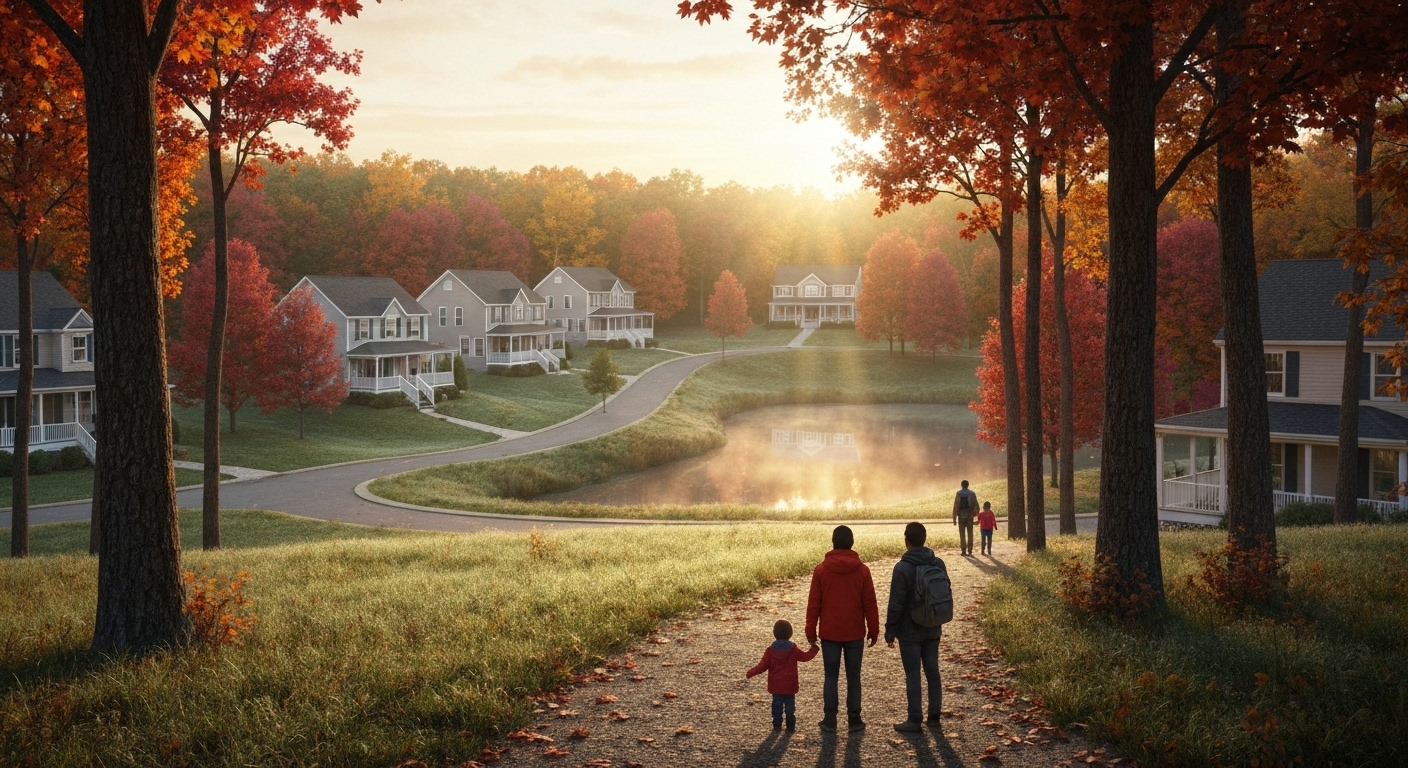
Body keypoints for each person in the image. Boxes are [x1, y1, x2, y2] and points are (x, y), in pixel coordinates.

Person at [805, 524, 880, 732]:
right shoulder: (863, 571)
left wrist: (810, 630)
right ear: (852, 543)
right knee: (853, 676)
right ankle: (854, 719)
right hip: (855, 632)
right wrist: (873, 629)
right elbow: (870, 603)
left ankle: (830, 719)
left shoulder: (821, 571)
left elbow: (814, 604)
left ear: (833, 543)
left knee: (831, 676)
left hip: (829, 632)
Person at [884, 522, 945, 732]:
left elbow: (896, 603)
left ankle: (914, 719)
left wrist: (890, 631)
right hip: (933, 626)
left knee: (913, 673)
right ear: (924, 539)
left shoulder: (902, 568)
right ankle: (935, 718)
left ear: (906, 541)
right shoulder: (938, 563)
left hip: (909, 631)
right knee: (933, 672)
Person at [742, 619, 820, 731]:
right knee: (790, 707)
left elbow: (761, 666)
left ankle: (777, 725)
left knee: (776, 706)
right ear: (790, 633)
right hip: (790, 685)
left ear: (775, 633)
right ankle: (790, 725)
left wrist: (750, 673)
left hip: (776, 686)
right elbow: (805, 657)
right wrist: (814, 648)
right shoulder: (793, 649)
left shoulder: (770, 651)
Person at [952, 480, 978, 556]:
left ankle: (963, 550)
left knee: (962, 534)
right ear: (968, 485)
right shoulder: (972, 494)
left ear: (961, 485)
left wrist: (954, 518)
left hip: (961, 516)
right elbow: (976, 506)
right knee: (970, 534)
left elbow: (956, 506)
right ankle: (970, 550)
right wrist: (975, 516)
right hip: (969, 516)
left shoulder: (958, 494)